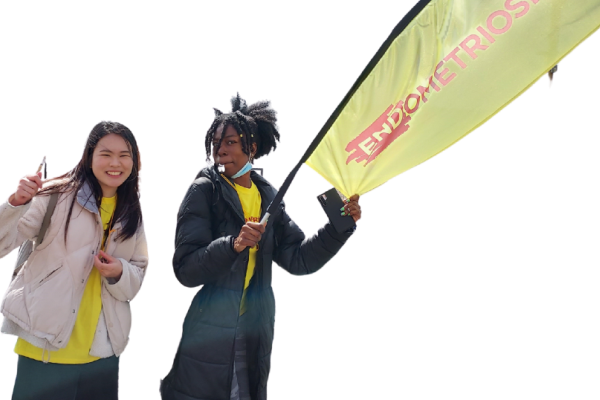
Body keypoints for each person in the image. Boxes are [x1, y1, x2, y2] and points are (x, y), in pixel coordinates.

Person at [159, 92, 362, 400]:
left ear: (251, 148)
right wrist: (233, 245)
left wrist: (338, 228)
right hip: (210, 339)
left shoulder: (269, 196)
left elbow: (298, 260)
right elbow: (186, 270)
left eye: (230, 142)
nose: (220, 151)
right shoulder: (203, 190)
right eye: (215, 144)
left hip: (255, 335)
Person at [0, 120, 148, 400]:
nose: (115, 163)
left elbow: (137, 277)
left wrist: (119, 272)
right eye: (106, 154)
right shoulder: (55, 195)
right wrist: (16, 202)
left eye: (124, 155)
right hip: (43, 349)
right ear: (89, 156)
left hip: (102, 354)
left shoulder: (133, 212)